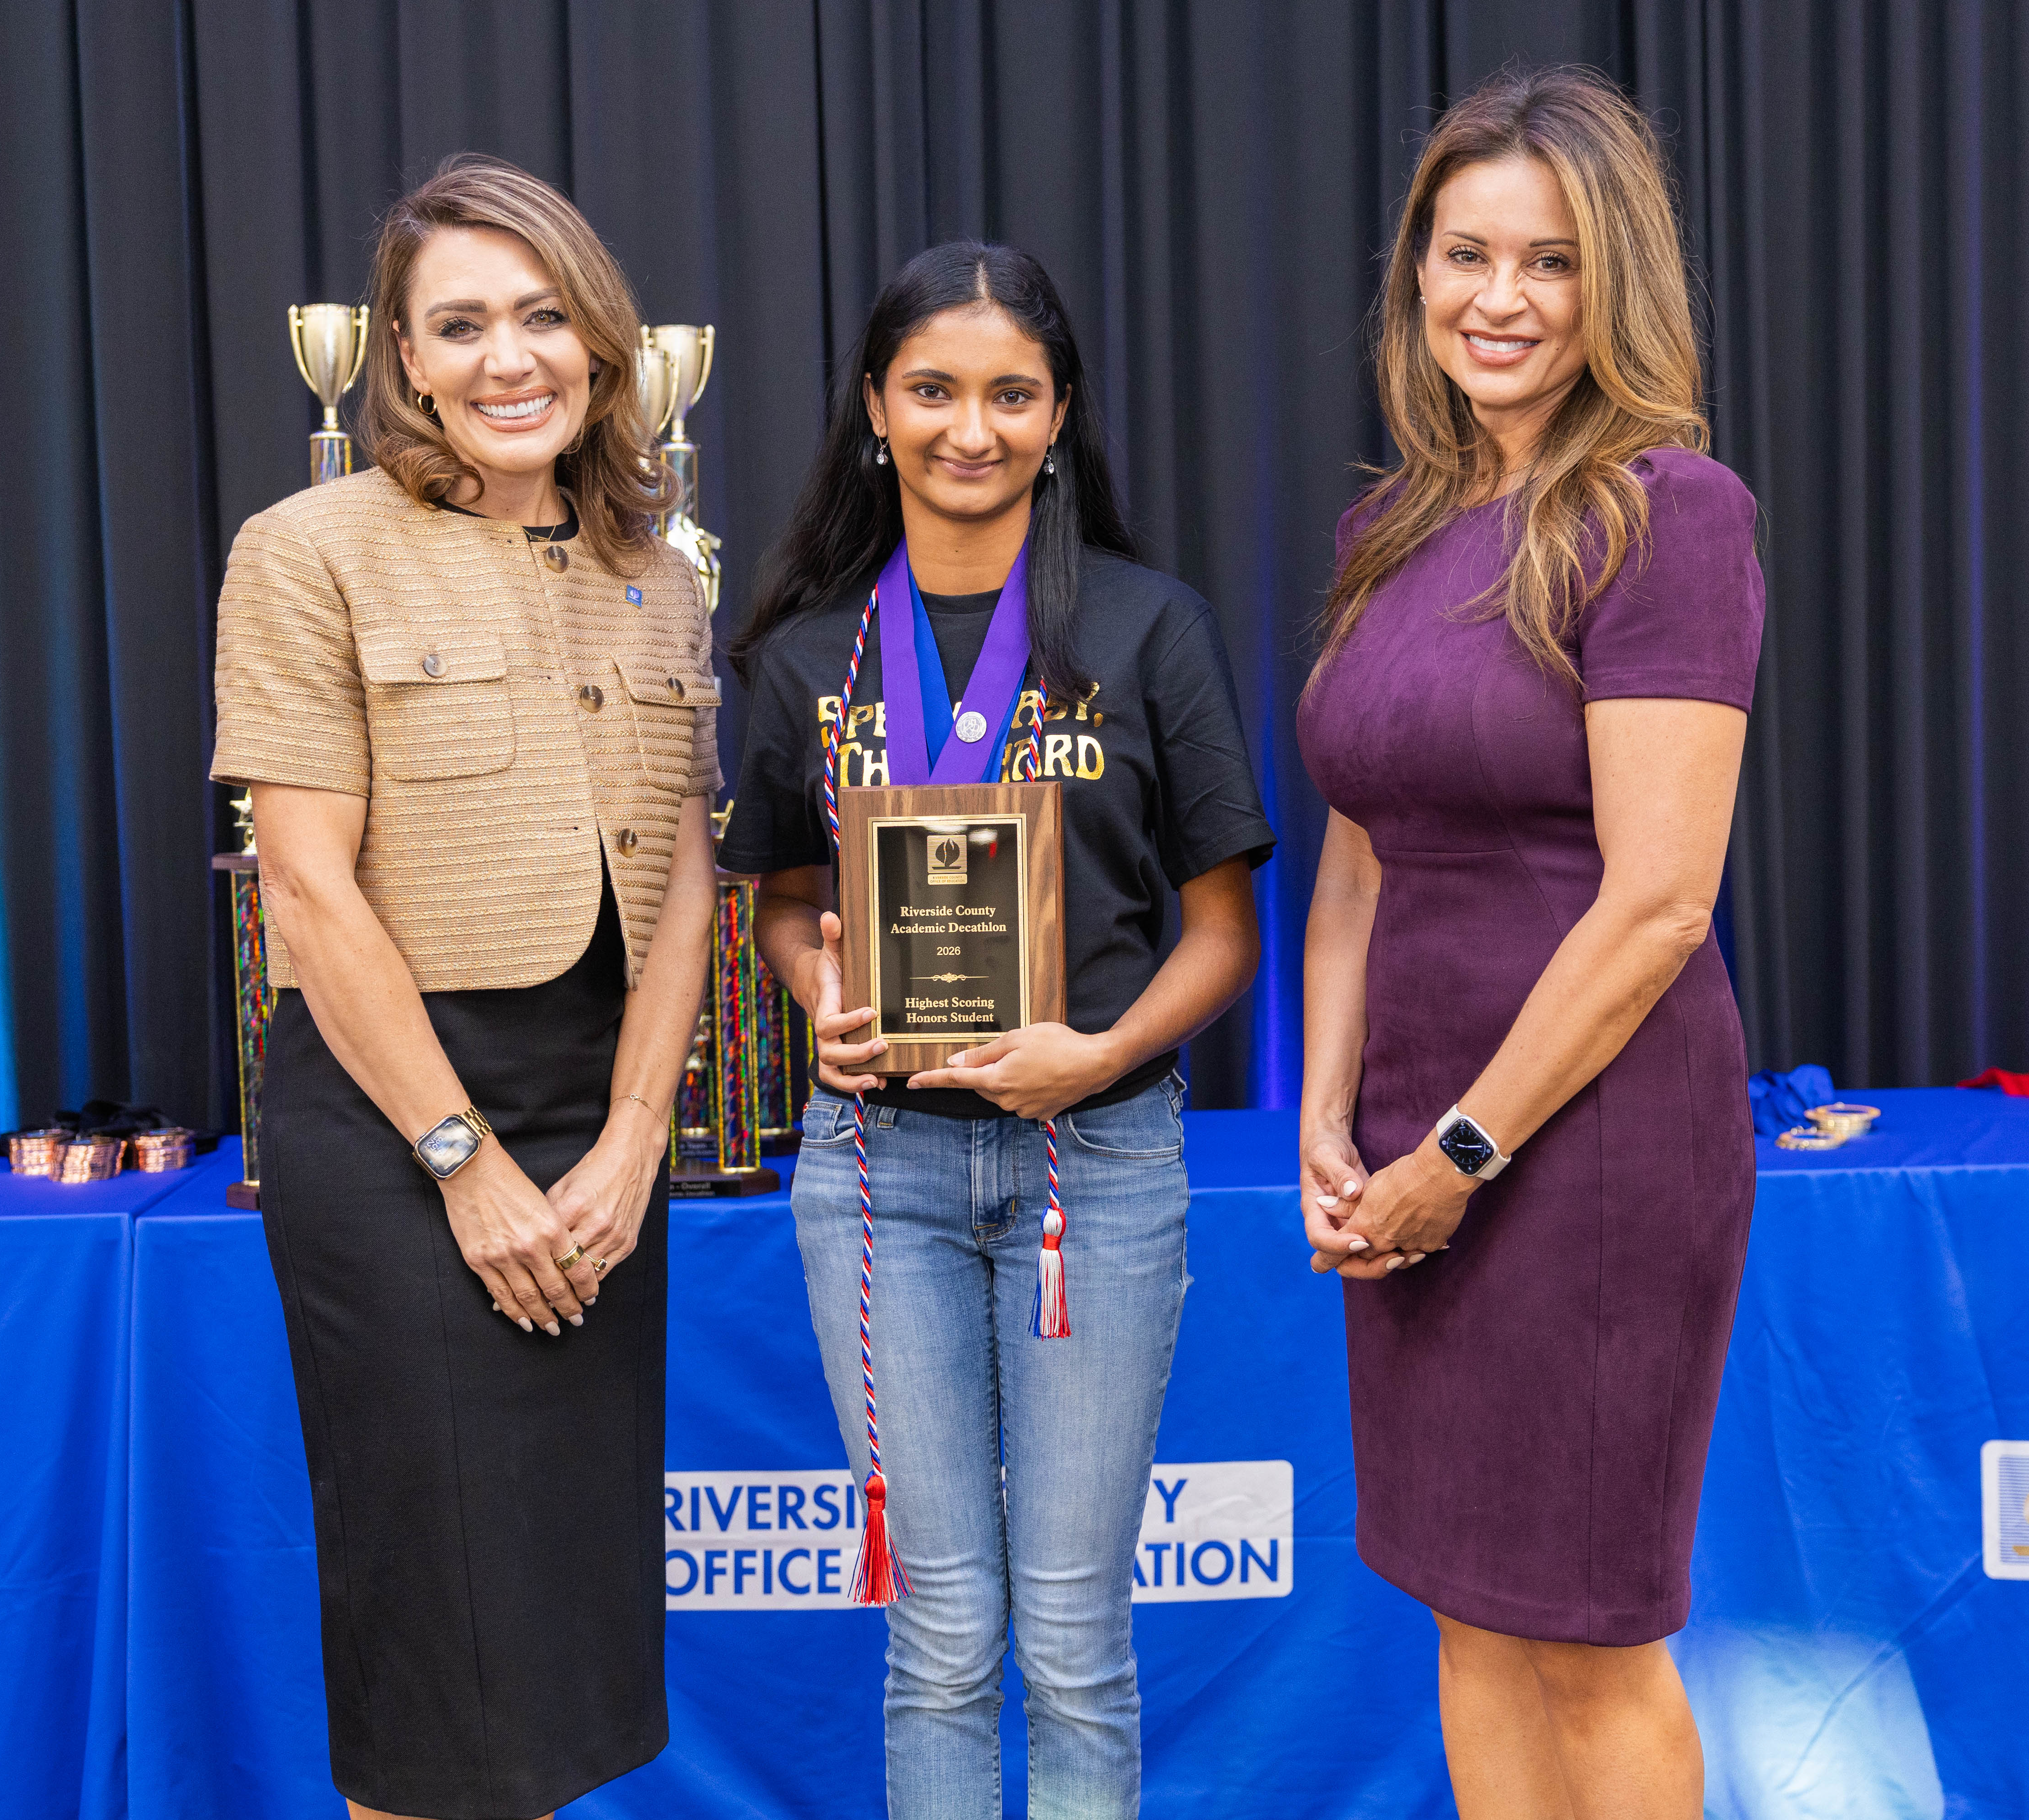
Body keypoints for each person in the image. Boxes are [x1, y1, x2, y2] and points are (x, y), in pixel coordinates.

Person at [722, 241, 1273, 1818]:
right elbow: (781, 901)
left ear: (1060, 412)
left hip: (1097, 1168)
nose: (973, 429)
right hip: (875, 1172)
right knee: (944, 1636)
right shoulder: (807, 654)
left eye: (1011, 394)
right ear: (875, 408)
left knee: (1077, 1639)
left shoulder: (1153, 630)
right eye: (934, 391)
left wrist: (1099, 1056)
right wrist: (819, 994)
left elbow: (1225, 935)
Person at [211, 154, 718, 1820]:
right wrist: (462, 1161)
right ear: (407, 362)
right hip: (396, 1133)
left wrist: (639, 1137)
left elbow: (687, 880)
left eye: (544, 316)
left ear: (601, 342)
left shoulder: (659, 568)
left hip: (598, 1131)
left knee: (556, 1644)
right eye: (462, 325)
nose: (511, 358)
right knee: (442, 1648)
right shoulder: (308, 550)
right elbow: (306, 889)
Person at [1296, 67, 1764, 1820]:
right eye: (1465, 253)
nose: (1499, 299)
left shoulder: (1668, 512)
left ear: (1611, 283)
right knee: (1469, 1606)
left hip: (1589, 1150)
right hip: (1413, 1139)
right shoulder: (1392, 531)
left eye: (1550, 262)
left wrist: (1464, 1153)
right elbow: (1358, 862)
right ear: (1416, 272)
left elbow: (1659, 903)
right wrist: (1330, 1113)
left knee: (1587, 1638)